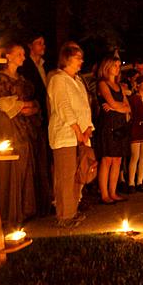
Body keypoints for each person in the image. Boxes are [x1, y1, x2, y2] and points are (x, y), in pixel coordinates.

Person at [0, 43, 41, 226]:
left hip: (24, 124)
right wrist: (24, 106)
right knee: (12, 164)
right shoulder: (0, 80)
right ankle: (8, 211)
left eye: (24, 54)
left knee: (25, 161)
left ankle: (25, 208)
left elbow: (32, 102)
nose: (23, 57)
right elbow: (3, 104)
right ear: (8, 56)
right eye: (19, 54)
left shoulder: (22, 79)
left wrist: (32, 107)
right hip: (6, 125)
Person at [47, 41, 93, 228]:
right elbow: (63, 106)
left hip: (81, 135)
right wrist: (76, 130)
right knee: (65, 176)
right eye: (77, 57)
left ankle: (73, 210)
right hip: (65, 135)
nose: (81, 61)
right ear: (67, 59)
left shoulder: (78, 81)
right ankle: (64, 214)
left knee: (78, 175)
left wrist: (88, 128)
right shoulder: (58, 80)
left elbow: (84, 106)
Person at [17, 33, 52, 216]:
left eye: (43, 42)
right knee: (36, 160)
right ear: (31, 45)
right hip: (32, 118)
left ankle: (46, 200)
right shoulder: (26, 67)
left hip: (45, 116)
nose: (42, 46)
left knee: (45, 159)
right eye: (39, 43)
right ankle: (37, 203)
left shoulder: (45, 66)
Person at [95, 56, 131, 205]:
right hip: (108, 124)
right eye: (114, 65)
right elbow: (111, 102)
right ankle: (104, 193)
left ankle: (113, 191)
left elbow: (128, 107)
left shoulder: (119, 86)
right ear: (107, 67)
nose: (117, 68)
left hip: (120, 123)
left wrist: (118, 107)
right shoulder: (103, 84)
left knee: (117, 159)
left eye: (118, 66)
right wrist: (118, 106)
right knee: (107, 158)